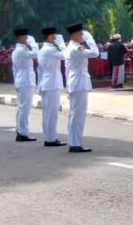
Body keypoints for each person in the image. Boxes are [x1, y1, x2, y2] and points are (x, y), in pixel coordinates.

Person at [63, 23, 98, 153]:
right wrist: (90, 39)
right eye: (82, 33)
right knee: (78, 115)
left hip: (75, 83)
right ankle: (75, 144)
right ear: (76, 34)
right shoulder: (75, 48)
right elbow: (95, 53)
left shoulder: (71, 47)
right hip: (79, 84)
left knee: (75, 114)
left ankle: (74, 142)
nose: (83, 36)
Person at [37, 27, 67, 147]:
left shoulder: (45, 49)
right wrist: (61, 43)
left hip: (47, 83)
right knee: (51, 113)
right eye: (54, 36)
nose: (55, 38)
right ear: (49, 37)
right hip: (51, 84)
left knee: (48, 113)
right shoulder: (49, 49)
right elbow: (65, 55)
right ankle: (50, 139)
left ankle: (49, 137)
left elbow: (39, 70)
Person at [11, 28, 39, 142]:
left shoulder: (18, 50)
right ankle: (22, 133)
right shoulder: (21, 50)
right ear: (21, 37)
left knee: (21, 107)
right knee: (25, 108)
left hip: (22, 80)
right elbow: (36, 54)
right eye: (26, 37)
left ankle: (20, 130)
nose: (27, 39)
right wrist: (33, 43)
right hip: (25, 81)